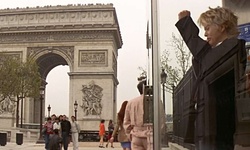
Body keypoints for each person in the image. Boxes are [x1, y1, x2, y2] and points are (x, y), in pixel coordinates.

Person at [176, 7, 246, 150]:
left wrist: (186, 26)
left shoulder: (234, 46)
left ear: (222, 27)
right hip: (210, 126)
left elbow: (206, 57)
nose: (205, 33)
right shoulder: (220, 51)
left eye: (208, 28)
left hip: (219, 128)